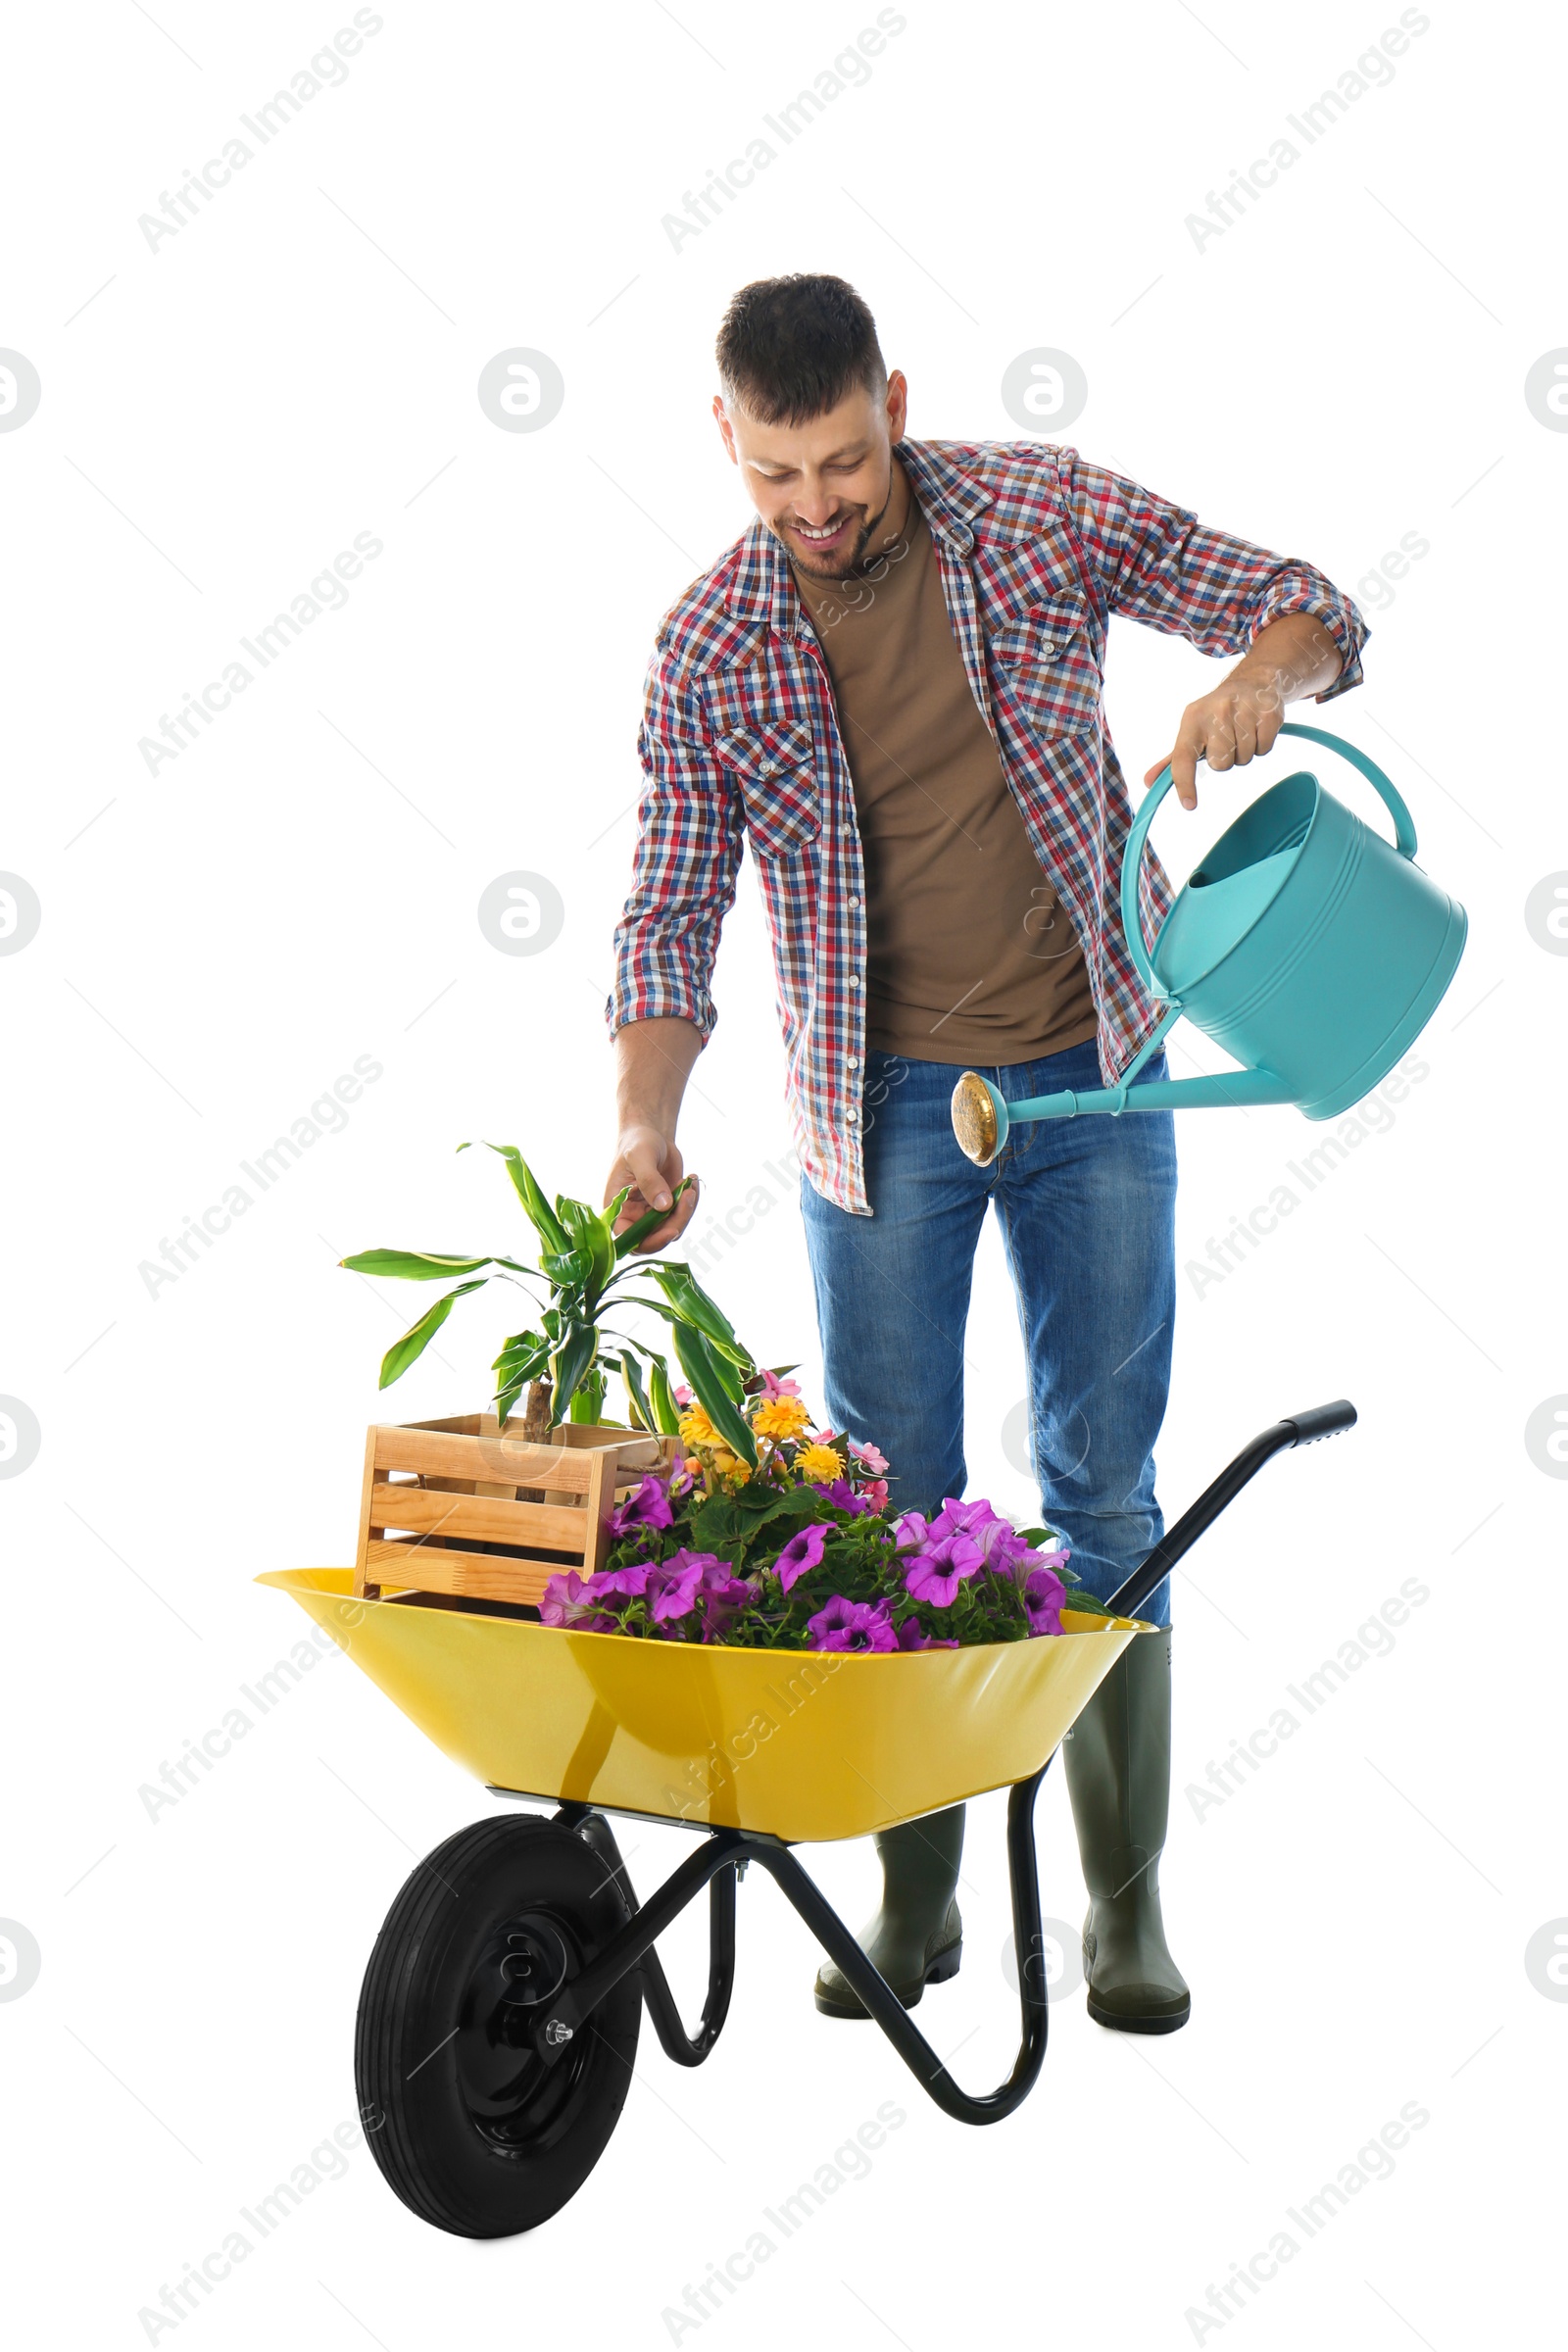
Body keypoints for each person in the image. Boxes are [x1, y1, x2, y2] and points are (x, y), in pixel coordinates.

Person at [603, 273, 1367, 2033]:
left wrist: (1260, 677)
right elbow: (666, 915)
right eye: (778, 473)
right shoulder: (709, 648)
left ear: (895, 399)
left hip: (1093, 1073)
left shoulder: (1031, 511)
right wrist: (643, 1124)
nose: (819, 506)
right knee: (889, 1504)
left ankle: (1124, 1910)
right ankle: (918, 1892)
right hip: (877, 1112)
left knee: (1102, 1490)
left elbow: (1297, 601)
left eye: (849, 462)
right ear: (725, 438)